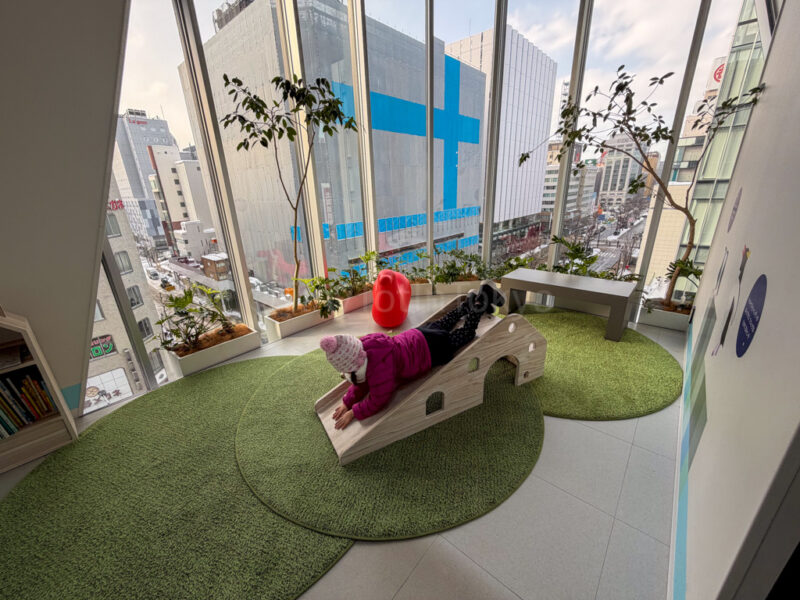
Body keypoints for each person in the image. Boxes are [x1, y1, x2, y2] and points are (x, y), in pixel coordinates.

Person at [320, 282, 505, 430]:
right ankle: (470, 303)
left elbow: (378, 399)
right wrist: (347, 402)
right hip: (417, 335)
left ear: (357, 366)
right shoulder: (367, 344)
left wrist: (354, 412)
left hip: (430, 351)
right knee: (444, 322)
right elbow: (360, 384)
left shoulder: (379, 370)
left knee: (465, 334)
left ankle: (480, 302)